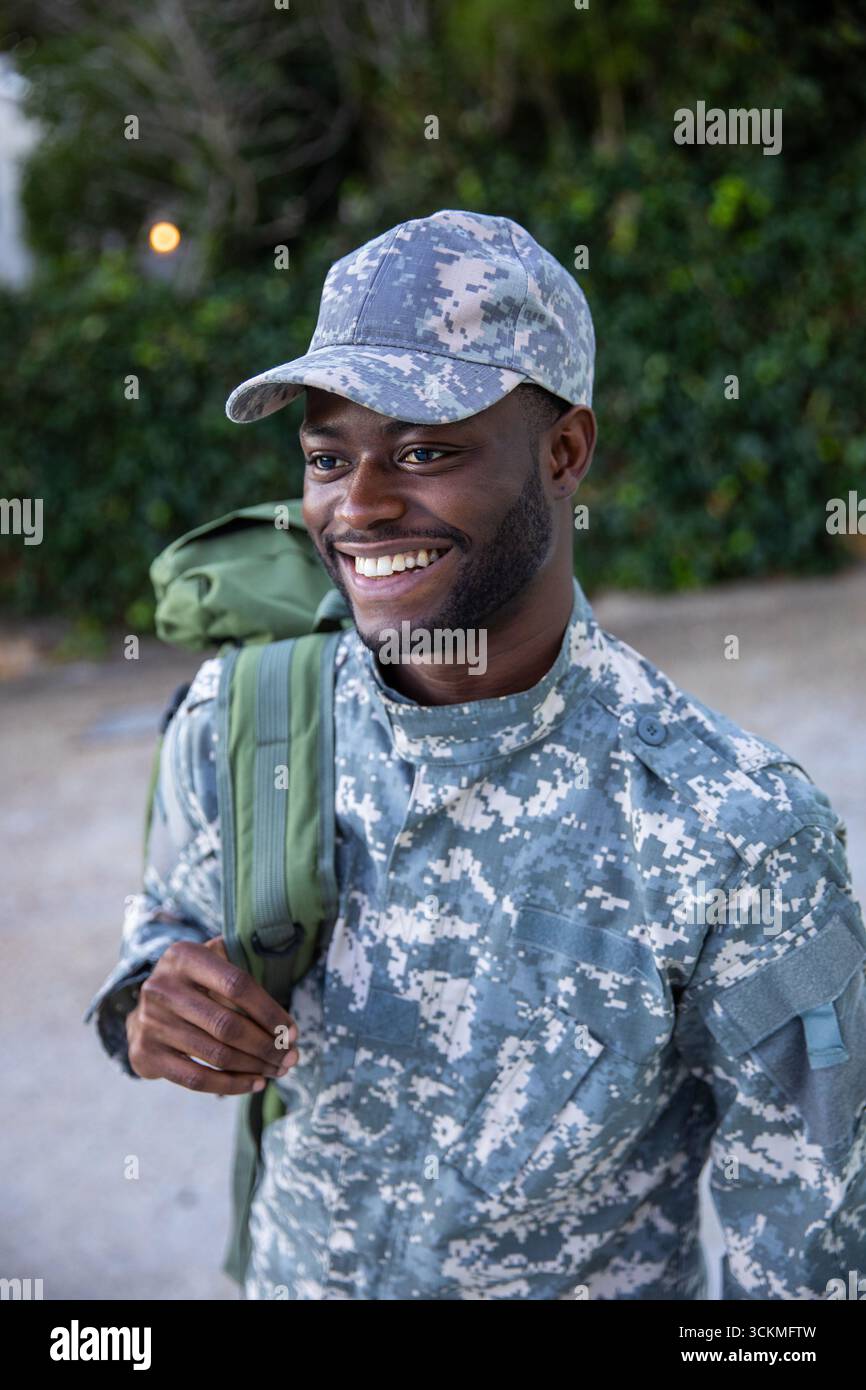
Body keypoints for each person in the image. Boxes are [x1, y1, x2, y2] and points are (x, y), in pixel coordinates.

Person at [86, 209, 866, 1300]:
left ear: (563, 451)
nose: (357, 507)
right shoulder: (246, 713)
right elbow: (164, 921)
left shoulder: (733, 834)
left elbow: (808, 1266)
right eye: (326, 455)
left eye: (423, 450)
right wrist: (144, 1005)